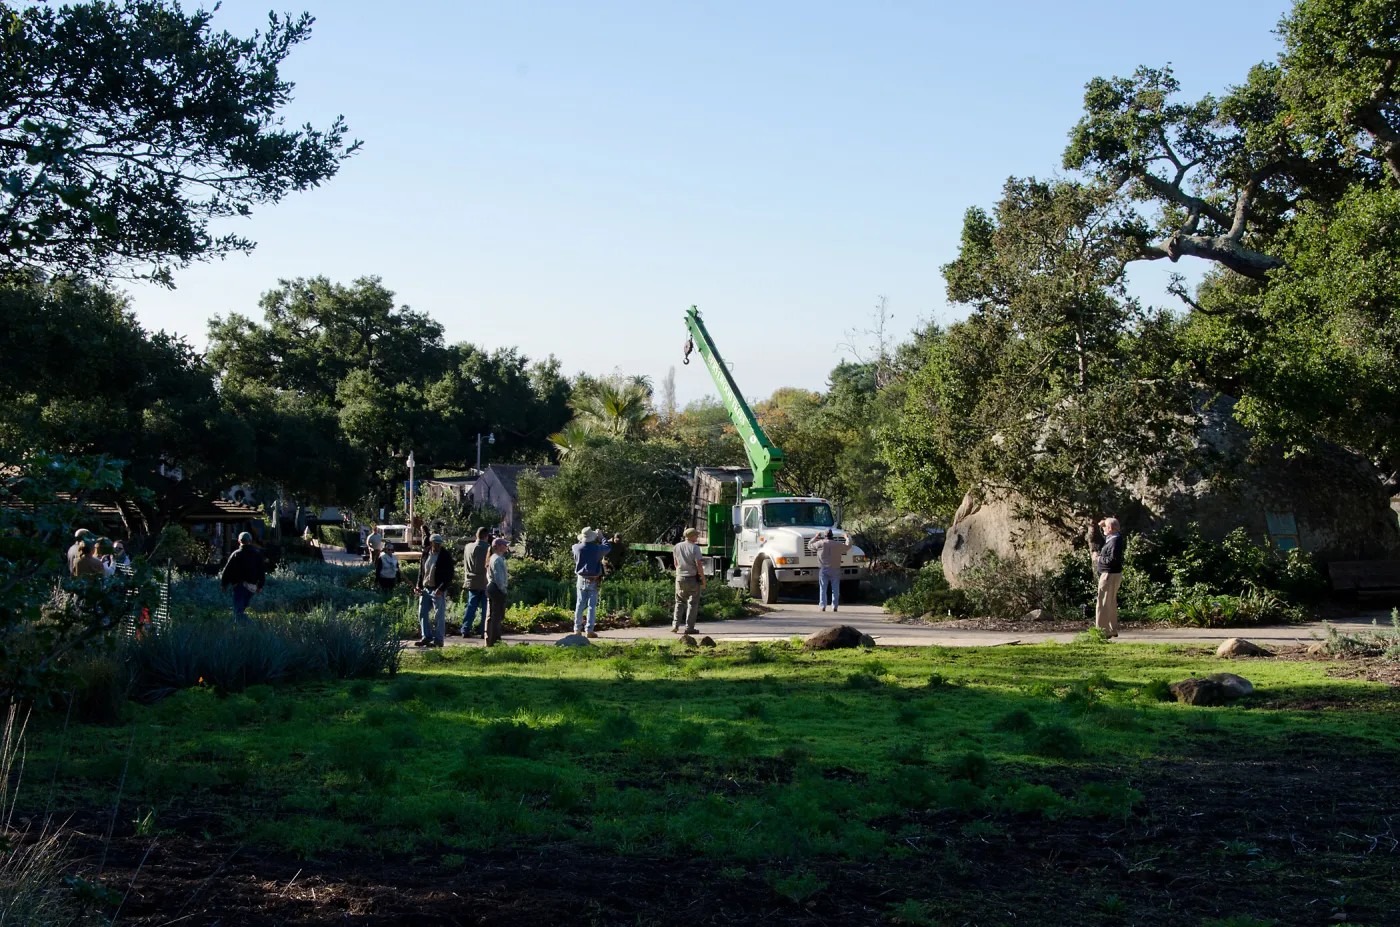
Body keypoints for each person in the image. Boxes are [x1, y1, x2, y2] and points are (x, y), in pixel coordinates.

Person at [414, 534, 454, 647]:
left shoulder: (445, 555)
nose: (438, 545)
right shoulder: (426, 553)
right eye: (435, 543)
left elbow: (450, 574)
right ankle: (426, 637)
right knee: (422, 613)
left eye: (439, 543)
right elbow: (421, 571)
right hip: (426, 588)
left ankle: (438, 640)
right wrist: (418, 585)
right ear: (431, 543)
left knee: (439, 616)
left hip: (438, 589)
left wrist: (441, 588)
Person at [571, 527, 611, 638]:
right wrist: (601, 536)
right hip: (593, 579)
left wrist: (584, 538)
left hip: (580, 578)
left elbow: (579, 544)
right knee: (591, 606)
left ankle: (577, 630)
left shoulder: (575, 547)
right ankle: (589, 630)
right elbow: (608, 547)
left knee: (579, 605)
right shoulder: (597, 549)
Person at [219, 531, 266, 623]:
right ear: (250, 541)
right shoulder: (257, 554)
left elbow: (227, 570)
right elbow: (261, 571)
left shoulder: (236, 554)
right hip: (252, 587)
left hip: (240, 586)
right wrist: (260, 586)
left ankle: (250, 624)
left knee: (238, 611)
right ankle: (244, 630)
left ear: (239, 541)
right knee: (241, 609)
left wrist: (224, 584)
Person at [1094, 516, 1125, 639]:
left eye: (1105, 528)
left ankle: (1102, 631)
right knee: (1111, 602)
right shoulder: (1115, 538)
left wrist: (1098, 558)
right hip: (1114, 574)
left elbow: (1112, 559)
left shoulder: (1114, 541)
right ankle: (1111, 629)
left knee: (1102, 603)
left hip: (1109, 574)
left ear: (1110, 528)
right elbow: (1107, 537)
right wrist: (1103, 525)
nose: (1104, 530)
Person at [671, 527, 706, 634]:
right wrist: (703, 579)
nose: (697, 537)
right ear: (691, 537)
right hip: (692, 579)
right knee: (693, 603)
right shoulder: (695, 548)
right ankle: (689, 628)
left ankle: (675, 625)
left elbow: (675, 563)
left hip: (679, 579)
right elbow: (698, 564)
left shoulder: (677, 547)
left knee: (679, 602)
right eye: (696, 535)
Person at [810, 529, 852, 612]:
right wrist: (847, 538)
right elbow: (848, 546)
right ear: (832, 535)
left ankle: (822, 606)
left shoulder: (820, 543)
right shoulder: (837, 544)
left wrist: (815, 537)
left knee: (823, 588)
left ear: (825, 535)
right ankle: (834, 606)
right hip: (835, 568)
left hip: (823, 568)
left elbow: (809, 545)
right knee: (835, 588)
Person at [460, 527, 491, 638]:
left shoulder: (468, 547)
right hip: (484, 581)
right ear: (486, 536)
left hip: (470, 580)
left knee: (471, 606)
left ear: (476, 535)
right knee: (485, 608)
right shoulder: (487, 548)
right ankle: (484, 631)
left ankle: (465, 629)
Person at [485, 536, 510, 646]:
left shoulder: (493, 558)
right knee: (497, 616)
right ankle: (495, 640)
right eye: (504, 545)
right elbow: (499, 578)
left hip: (491, 588)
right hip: (496, 589)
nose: (506, 547)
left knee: (493, 615)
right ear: (498, 546)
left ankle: (491, 639)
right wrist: (504, 590)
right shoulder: (498, 560)